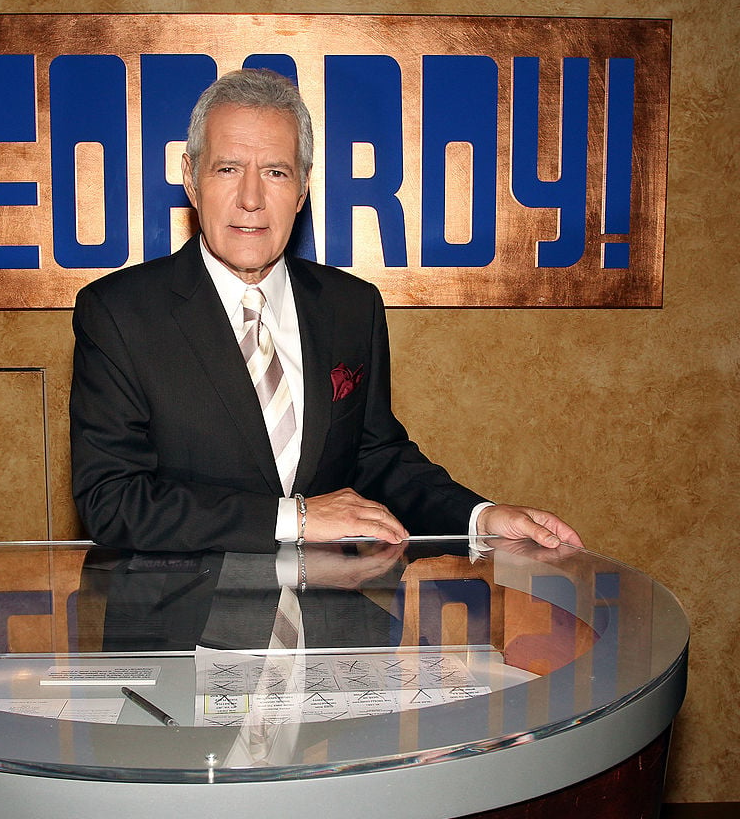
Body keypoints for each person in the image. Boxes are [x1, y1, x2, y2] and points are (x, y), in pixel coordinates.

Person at [70, 69, 582, 554]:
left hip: (329, 625)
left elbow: (376, 455)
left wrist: (479, 517)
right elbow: (111, 503)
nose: (251, 198)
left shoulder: (352, 307)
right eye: (227, 169)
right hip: (181, 634)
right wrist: (296, 518)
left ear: (303, 188)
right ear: (190, 177)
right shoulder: (118, 314)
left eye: (275, 172)